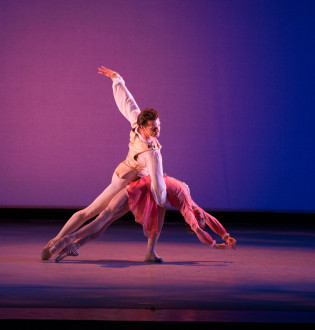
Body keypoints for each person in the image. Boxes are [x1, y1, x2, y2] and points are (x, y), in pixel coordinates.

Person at [41, 66, 167, 262]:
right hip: (125, 184)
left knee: (103, 220)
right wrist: (161, 198)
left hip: (127, 180)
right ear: (144, 127)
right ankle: (59, 241)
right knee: (95, 213)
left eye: (158, 126)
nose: (158, 130)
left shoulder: (137, 123)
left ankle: (61, 242)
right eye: (154, 128)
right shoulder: (151, 153)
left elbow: (129, 103)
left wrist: (117, 79)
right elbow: (158, 182)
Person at [48, 175, 237, 263]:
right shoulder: (195, 205)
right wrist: (225, 234)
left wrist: (213, 244)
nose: (201, 218)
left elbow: (197, 228)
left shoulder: (187, 209)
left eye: (199, 220)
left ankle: (72, 242)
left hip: (144, 191)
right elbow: (211, 220)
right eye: (202, 218)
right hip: (141, 187)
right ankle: (71, 240)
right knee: (105, 218)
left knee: (106, 220)